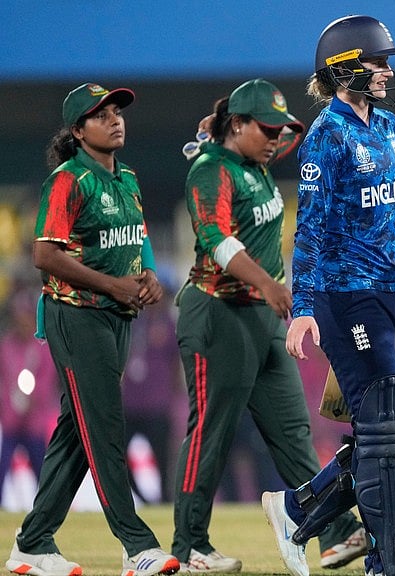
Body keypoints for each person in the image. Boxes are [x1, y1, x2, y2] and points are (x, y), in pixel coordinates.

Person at [261, 15, 395, 576]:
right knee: (385, 430)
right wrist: (303, 309)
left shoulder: (387, 126)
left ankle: (299, 506)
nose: (386, 71)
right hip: (344, 296)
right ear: (344, 68)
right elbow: (312, 229)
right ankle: (393, 562)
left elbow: (391, 205)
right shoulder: (326, 135)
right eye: (377, 61)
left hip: (393, 292)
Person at [171, 78, 366, 573]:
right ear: (237, 124)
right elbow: (216, 239)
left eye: (283, 130)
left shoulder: (252, 163)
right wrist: (271, 286)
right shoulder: (211, 169)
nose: (278, 139)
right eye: (268, 128)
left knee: (294, 432)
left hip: (261, 318)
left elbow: (293, 136)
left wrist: (265, 128)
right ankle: (189, 545)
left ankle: (337, 533)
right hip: (218, 312)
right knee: (210, 434)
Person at [4, 83, 179, 576]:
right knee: (102, 426)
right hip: (75, 314)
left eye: (117, 112)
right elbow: (45, 255)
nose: (115, 119)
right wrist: (114, 286)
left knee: (78, 431)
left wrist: (147, 279)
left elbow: (137, 239)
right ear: (78, 131)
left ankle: (33, 543)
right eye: (100, 116)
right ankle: (136, 545)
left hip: (116, 317)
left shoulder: (128, 180)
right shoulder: (67, 180)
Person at [0, 287, 60, 508]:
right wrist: (8, 402)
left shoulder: (41, 348)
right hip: (10, 421)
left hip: (34, 420)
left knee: (40, 469)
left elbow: (47, 379)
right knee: (3, 467)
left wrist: (32, 399)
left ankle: (46, 508)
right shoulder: (6, 346)